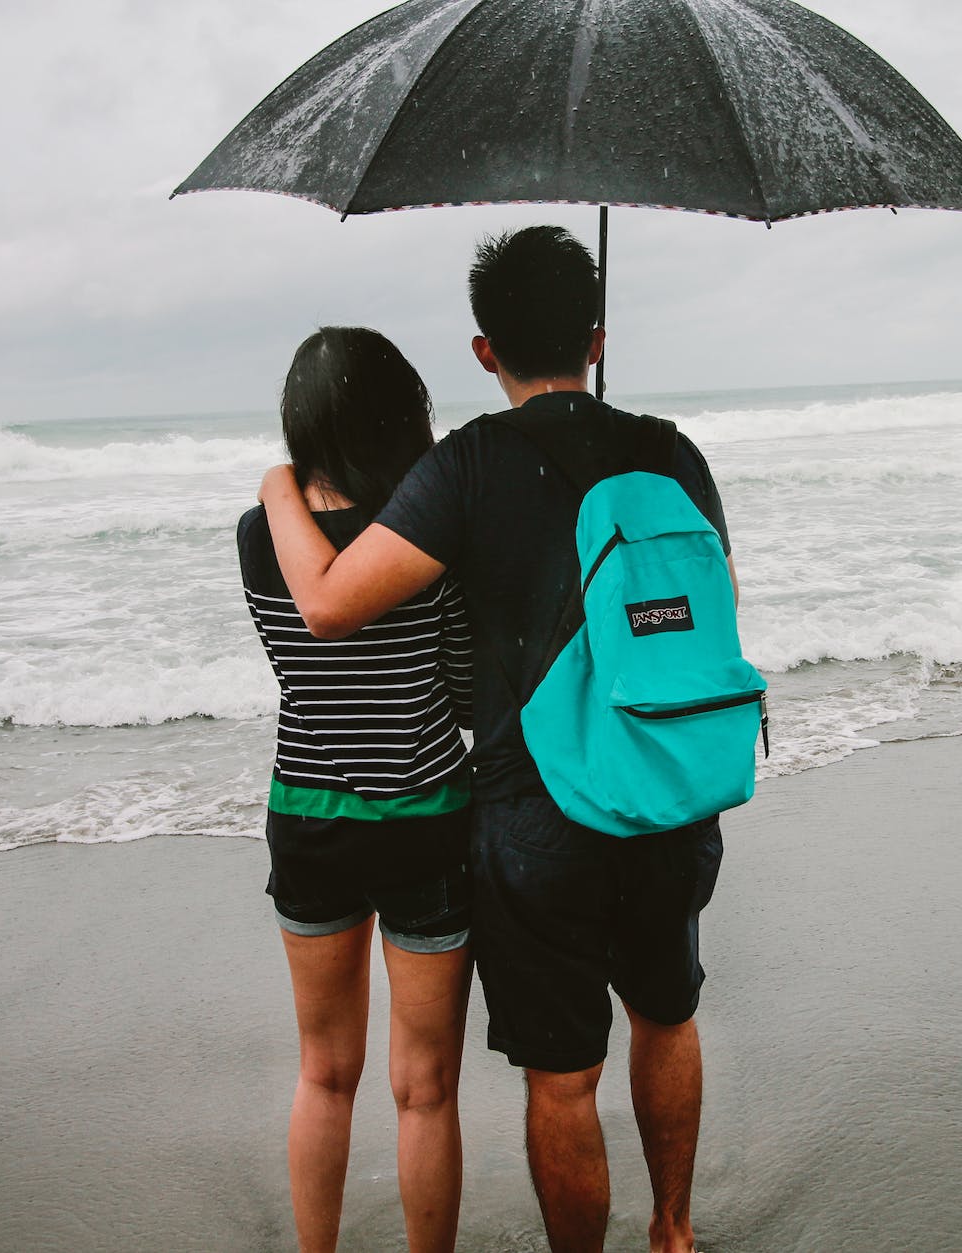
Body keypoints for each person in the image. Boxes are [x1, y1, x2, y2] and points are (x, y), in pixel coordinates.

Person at [259, 226, 731, 1253]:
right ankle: (674, 1233)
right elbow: (706, 611)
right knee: (667, 1014)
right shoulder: (671, 451)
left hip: (538, 814)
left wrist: (273, 486)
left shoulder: (469, 463)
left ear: (484, 349)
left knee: (564, 1076)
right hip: (667, 784)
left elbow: (334, 603)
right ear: (596, 338)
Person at [239, 327, 476, 1253]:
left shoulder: (263, 532)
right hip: (424, 818)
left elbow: (288, 659)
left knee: (323, 1073)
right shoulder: (424, 535)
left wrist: (271, 479)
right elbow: (458, 689)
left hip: (307, 815)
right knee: (424, 1087)